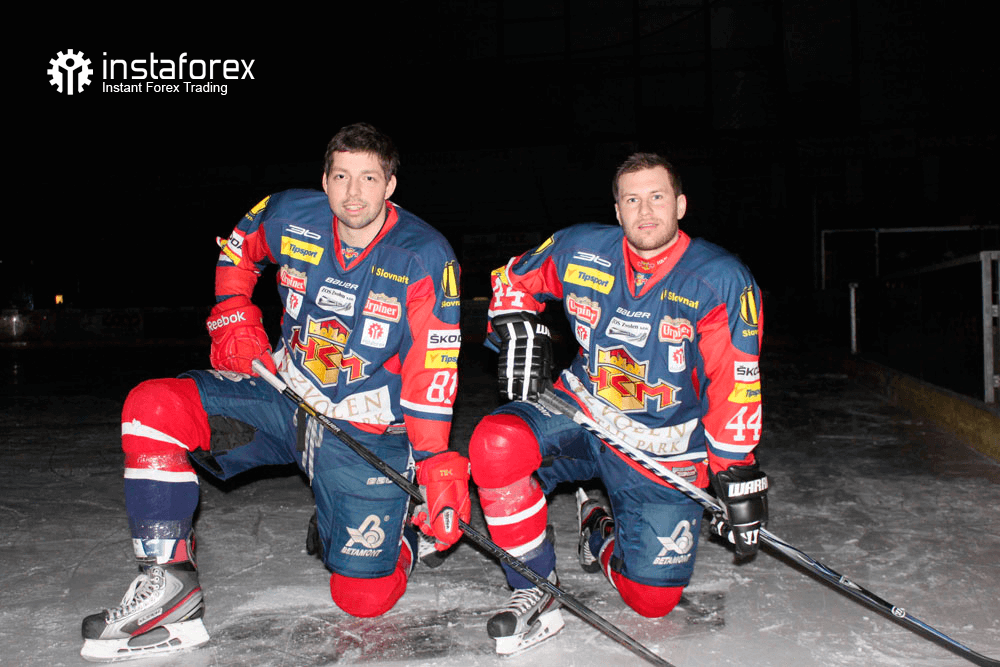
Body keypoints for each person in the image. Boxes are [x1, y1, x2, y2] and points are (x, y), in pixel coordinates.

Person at [80, 123, 470, 662]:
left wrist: (433, 461)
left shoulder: (424, 255)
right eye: (341, 177)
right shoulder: (288, 213)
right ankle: (170, 589)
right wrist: (233, 311)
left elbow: (432, 367)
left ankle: (396, 532)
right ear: (324, 180)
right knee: (153, 406)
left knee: (363, 600)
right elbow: (238, 248)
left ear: (390, 185)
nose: (353, 193)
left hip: (365, 429)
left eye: (368, 178)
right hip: (282, 397)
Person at [469, 152, 767, 655]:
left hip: (664, 445)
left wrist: (733, 471)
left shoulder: (720, 279)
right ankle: (535, 586)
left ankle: (597, 528)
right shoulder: (581, 250)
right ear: (617, 210)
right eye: (632, 200)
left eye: (657, 197)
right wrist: (515, 323)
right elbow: (513, 279)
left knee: (652, 601)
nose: (645, 211)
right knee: (496, 444)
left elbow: (733, 383)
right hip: (582, 412)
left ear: (681, 205)